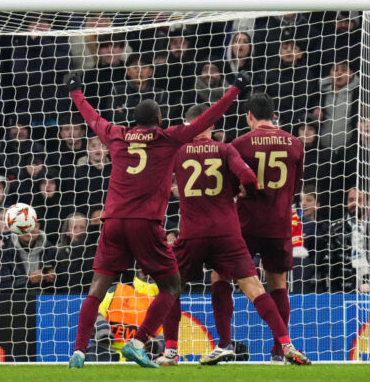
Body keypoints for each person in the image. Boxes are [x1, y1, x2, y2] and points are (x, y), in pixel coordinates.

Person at [66, 71, 245, 369]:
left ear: (134, 120)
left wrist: (76, 93)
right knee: (171, 286)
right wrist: (234, 90)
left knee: (97, 288)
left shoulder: (116, 134)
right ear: (160, 119)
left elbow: (91, 117)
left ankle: (79, 352)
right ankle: (139, 343)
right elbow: (207, 118)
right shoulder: (168, 138)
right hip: (145, 223)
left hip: (112, 222)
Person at [158, 104, 310, 366]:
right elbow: (252, 179)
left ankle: (176, 350)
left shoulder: (182, 151)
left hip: (200, 233)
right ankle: (283, 346)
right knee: (261, 286)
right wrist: (238, 190)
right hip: (241, 230)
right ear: (212, 125)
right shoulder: (229, 148)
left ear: (187, 125)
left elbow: (157, 180)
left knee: (171, 287)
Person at [232, 92, 305, 361]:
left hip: (246, 223)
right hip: (279, 223)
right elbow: (295, 187)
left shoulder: (240, 144)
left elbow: (232, 186)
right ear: (274, 115)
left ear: (249, 115)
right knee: (279, 285)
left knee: (224, 276)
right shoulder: (295, 144)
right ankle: (278, 350)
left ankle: (225, 343)